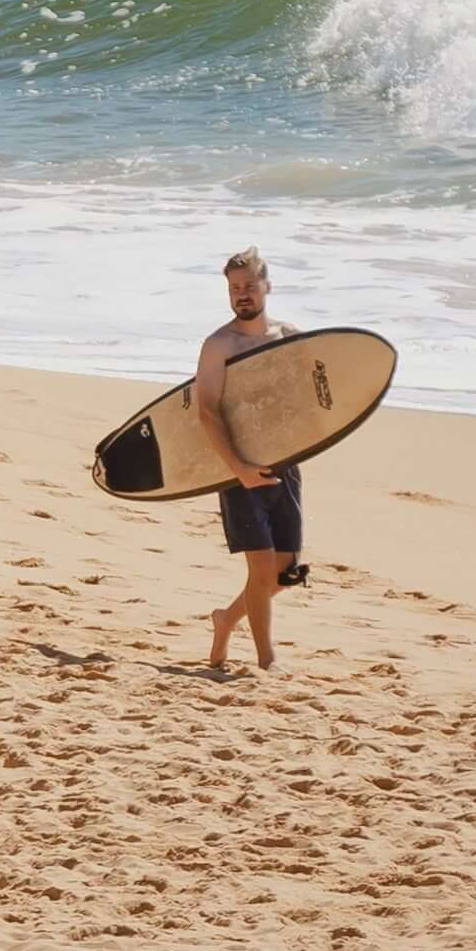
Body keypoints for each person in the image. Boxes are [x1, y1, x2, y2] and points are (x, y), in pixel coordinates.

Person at [193, 242, 304, 677]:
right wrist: (237, 468)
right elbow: (206, 411)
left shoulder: (290, 335)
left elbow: (309, 402)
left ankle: (225, 620)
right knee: (260, 569)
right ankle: (265, 660)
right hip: (237, 468)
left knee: (282, 572)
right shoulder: (218, 345)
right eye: (235, 288)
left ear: (267, 287)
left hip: (284, 464)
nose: (242, 294)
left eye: (250, 286)